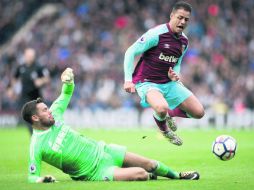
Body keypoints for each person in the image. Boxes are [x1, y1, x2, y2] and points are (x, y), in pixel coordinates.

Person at [21, 68, 200, 183]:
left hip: (105, 150)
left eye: (48, 108)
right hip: (95, 172)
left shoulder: (55, 113)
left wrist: (68, 79)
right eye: (45, 110)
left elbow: (66, 92)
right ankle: (131, 174)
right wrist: (41, 180)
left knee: (150, 164)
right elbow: (32, 175)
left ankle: (178, 175)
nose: (49, 111)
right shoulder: (37, 145)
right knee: (142, 174)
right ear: (35, 118)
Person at [123, 1, 204, 146]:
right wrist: (128, 80)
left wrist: (175, 75)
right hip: (147, 82)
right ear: (172, 15)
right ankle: (165, 131)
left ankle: (168, 115)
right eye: (180, 17)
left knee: (199, 112)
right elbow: (131, 51)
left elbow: (177, 63)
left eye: (186, 19)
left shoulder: (184, 41)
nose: (183, 22)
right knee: (161, 107)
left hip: (168, 83)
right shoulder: (156, 34)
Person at [12, 47, 50, 134]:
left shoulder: (39, 67)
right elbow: (15, 78)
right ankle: (34, 135)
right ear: (25, 56)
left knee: (40, 117)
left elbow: (47, 78)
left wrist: (41, 81)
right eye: (29, 55)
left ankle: (42, 133)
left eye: (32, 56)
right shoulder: (21, 67)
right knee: (27, 118)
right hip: (24, 97)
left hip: (36, 98)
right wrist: (12, 89)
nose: (30, 57)